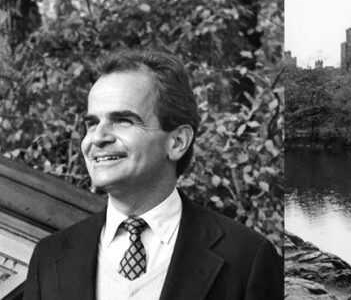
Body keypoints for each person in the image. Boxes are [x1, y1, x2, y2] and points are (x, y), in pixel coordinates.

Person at [23, 48, 283, 300]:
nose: (98, 137)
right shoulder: (49, 258)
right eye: (92, 123)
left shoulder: (247, 258)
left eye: (123, 120)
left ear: (178, 141)